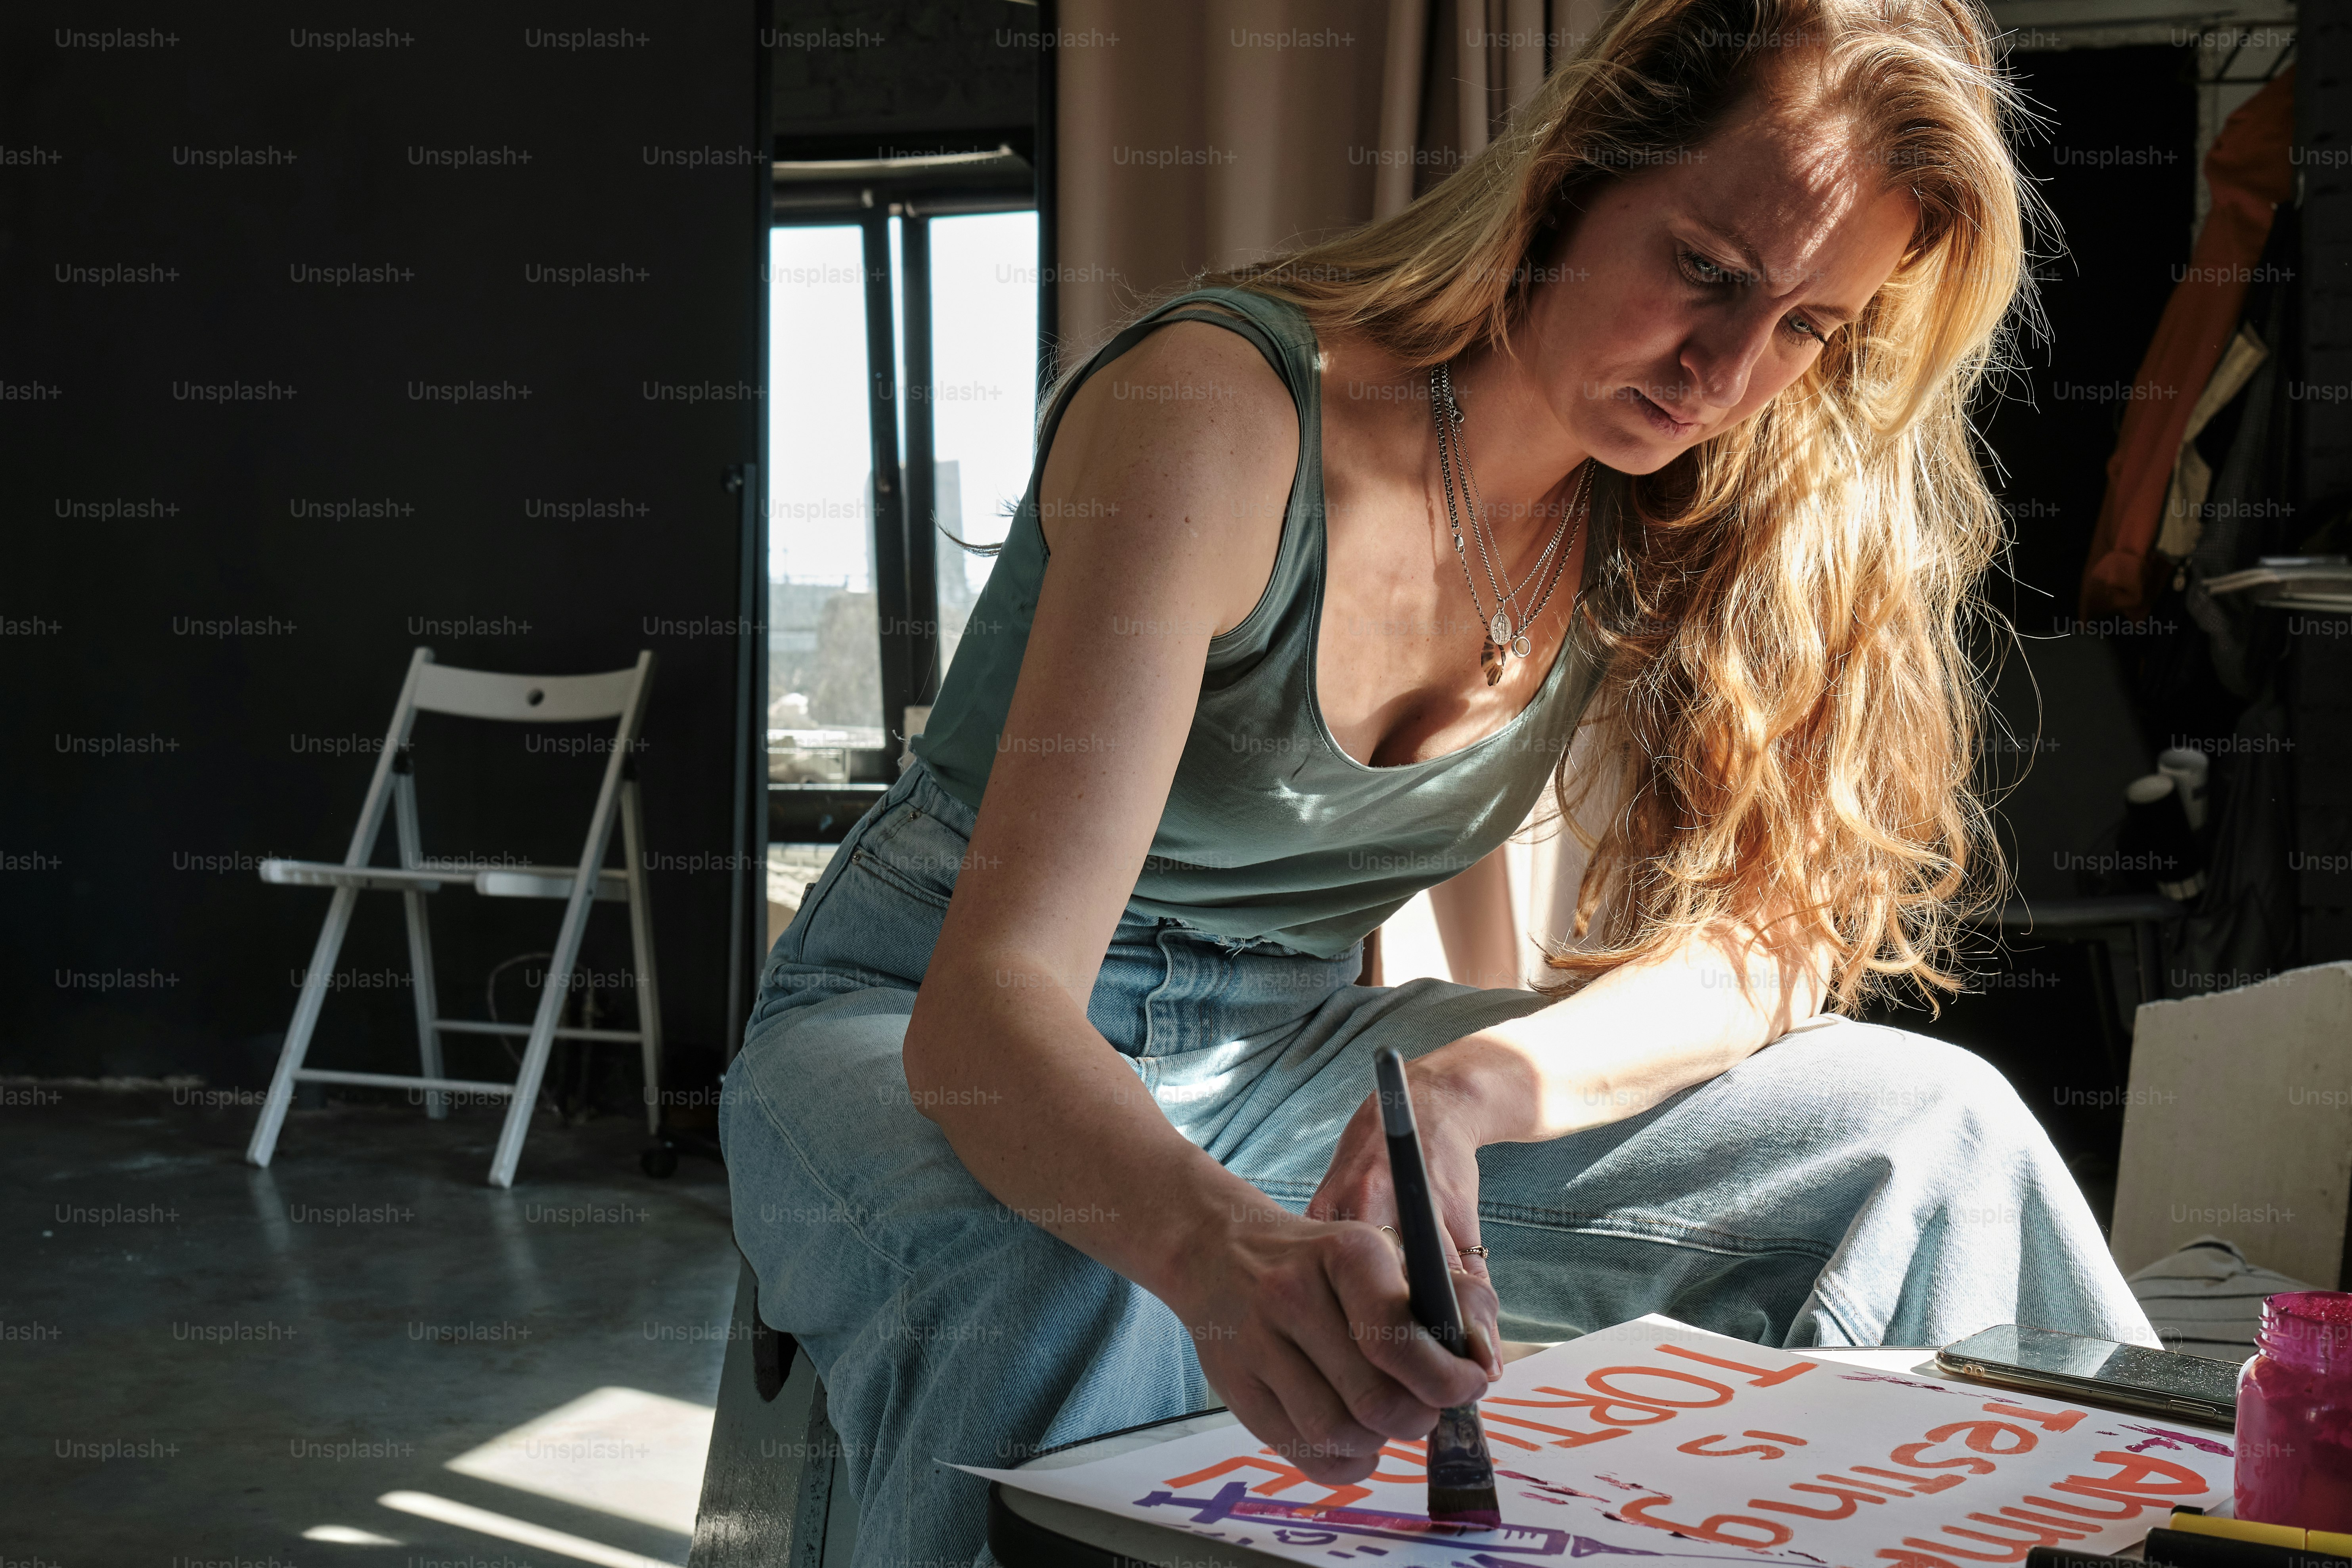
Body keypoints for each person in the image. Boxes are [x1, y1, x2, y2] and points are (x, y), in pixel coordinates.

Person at [722, 0, 2159, 1561]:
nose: (1727, 369)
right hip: (922, 1015)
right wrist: (1210, 1246)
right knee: (1068, 1261)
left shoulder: (1702, 487)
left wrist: (1464, 1091)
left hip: (1295, 1038)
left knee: (1926, 1129)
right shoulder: (1222, 412)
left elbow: (1769, 937)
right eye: (1703, 268)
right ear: (1564, 180)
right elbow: (991, 1001)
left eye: (1807, 325)